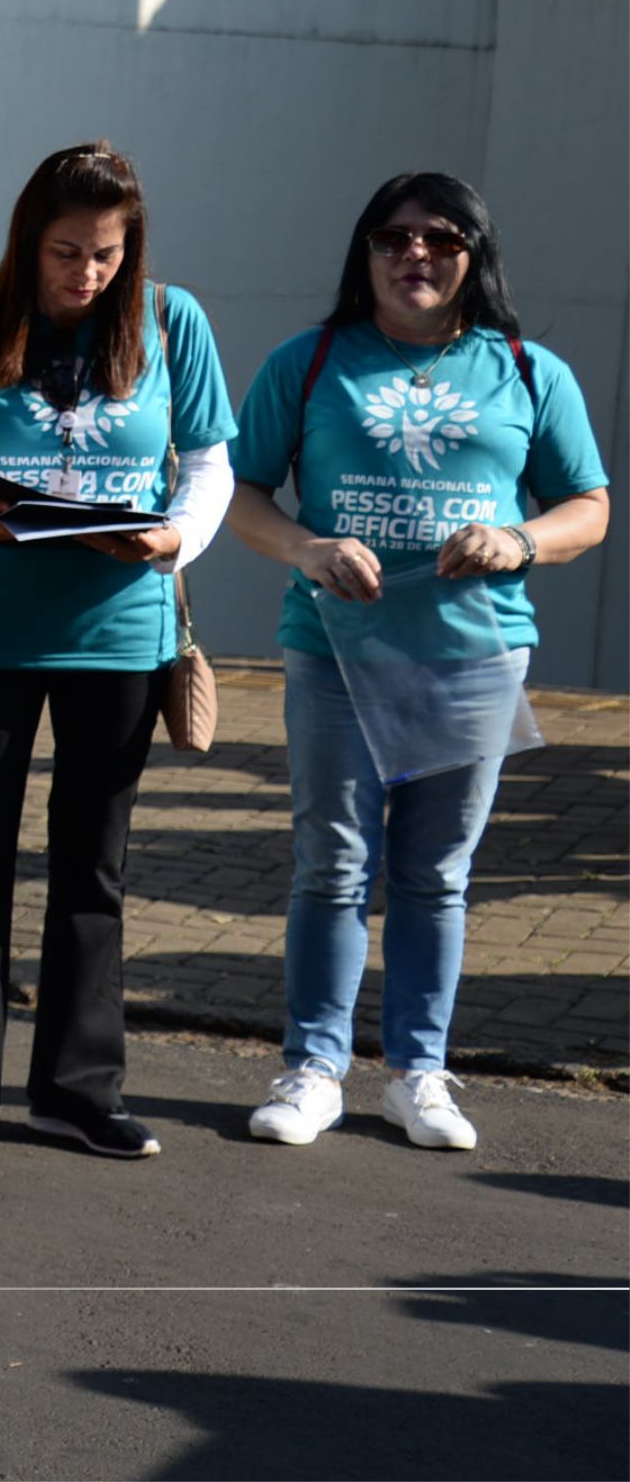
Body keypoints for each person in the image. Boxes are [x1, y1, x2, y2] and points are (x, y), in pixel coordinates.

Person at [225, 174, 608, 1152]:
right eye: (393, 237)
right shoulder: (308, 363)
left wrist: (518, 540)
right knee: (331, 862)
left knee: (436, 873)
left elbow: (589, 508)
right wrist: (305, 548)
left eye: (440, 239)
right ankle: (313, 1068)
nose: (415, 255)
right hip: (332, 649)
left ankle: (418, 1075)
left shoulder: (526, 369)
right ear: (365, 254)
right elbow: (240, 492)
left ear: (473, 256)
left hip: (470, 651)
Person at [0, 141, 236, 1160]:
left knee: (93, 862)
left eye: (105, 254)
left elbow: (211, 461)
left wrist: (177, 535)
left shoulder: (173, 321)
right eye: (65, 251)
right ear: (27, 240)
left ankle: (77, 1090)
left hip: (120, 632)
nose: (84, 273)